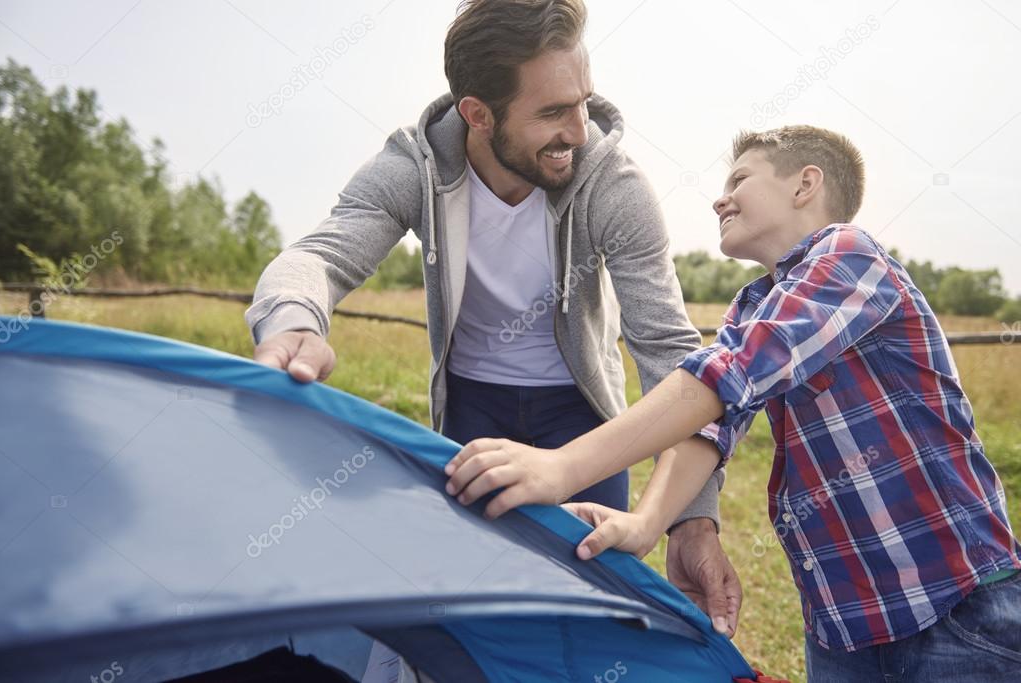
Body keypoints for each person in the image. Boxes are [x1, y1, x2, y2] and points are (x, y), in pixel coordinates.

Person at [444, 124, 1021, 681]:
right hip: (843, 631)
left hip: (958, 610)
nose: (720, 201)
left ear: (804, 185)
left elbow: (729, 373)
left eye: (739, 180)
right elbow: (714, 421)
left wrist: (561, 466)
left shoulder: (851, 256)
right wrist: (648, 523)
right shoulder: (752, 306)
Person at [245, 0, 741, 637]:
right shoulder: (414, 168)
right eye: (553, 112)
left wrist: (691, 517)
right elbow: (321, 254)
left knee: (593, 617)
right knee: (473, 619)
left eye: (582, 101)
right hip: (471, 412)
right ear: (477, 114)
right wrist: (293, 317)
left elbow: (670, 353)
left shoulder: (614, 184)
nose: (579, 130)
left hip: (582, 418)